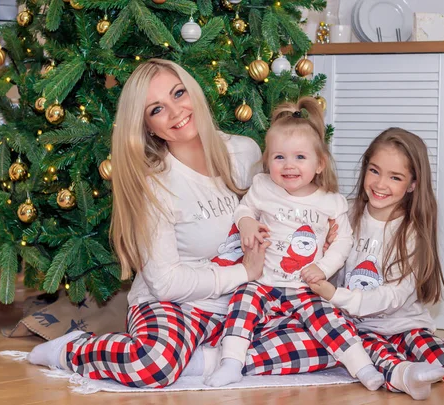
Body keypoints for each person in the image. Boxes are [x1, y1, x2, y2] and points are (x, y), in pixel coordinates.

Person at [26, 59, 337, 387]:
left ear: (194, 92)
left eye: (179, 94)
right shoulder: (154, 184)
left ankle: (201, 359)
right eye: (157, 109)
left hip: (246, 303)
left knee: (331, 341)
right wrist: (244, 273)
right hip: (179, 304)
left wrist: (318, 239)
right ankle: (73, 350)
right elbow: (165, 283)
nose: (176, 112)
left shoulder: (244, 153)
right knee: (153, 364)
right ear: (147, 126)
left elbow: (281, 210)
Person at [205, 97, 384, 391]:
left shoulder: (331, 201)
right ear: (268, 161)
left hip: (305, 286)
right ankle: (232, 363)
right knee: (241, 302)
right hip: (264, 282)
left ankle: (362, 367)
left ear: (319, 164)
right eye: (279, 158)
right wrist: (246, 222)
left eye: (300, 157)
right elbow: (244, 209)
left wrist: (323, 268)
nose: (289, 166)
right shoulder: (263, 186)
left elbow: (343, 240)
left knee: (329, 318)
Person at [310, 128, 444, 400]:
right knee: (370, 354)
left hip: (404, 323)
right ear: (365, 169)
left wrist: (340, 296)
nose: (380, 184)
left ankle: (421, 356)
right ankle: (402, 372)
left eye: (395, 177)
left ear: (412, 184)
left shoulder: (411, 231)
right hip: (359, 327)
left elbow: (395, 295)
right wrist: (326, 253)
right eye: (375, 171)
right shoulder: (344, 214)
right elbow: (323, 275)